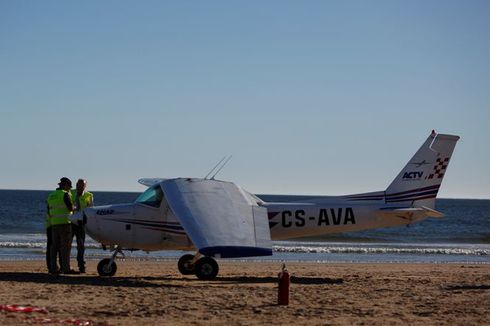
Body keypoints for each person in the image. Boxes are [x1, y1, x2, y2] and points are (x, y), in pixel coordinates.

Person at [46, 177, 78, 274]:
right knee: (65, 248)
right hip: (65, 223)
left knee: (54, 247)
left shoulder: (51, 195)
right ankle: (66, 268)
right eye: (69, 187)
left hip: (54, 223)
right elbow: (70, 208)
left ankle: (53, 268)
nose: (69, 189)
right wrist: (75, 207)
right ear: (65, 185)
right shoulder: (65, 194)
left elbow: (48, 210)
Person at [71, 179, 93, 273]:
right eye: (78, 185)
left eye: (82, 185)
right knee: (67, 245)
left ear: (85, 186)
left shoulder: (89, 195)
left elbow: (91, 209)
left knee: (81, 245)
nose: (79, 187)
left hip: (81, 223)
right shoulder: (70, 193)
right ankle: (65, 265)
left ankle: (81, 266)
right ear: (76, 185)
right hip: (70, 221)